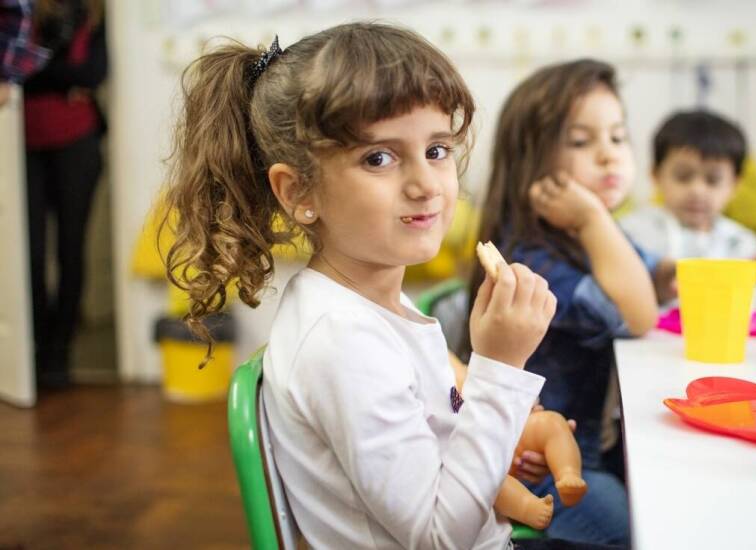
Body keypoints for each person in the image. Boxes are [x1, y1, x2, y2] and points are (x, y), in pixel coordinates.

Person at [163, 23, 621, 550]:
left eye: (438, 150)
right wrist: (500, 367)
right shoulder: (343, 342)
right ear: (297, 191)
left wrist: (502, 434)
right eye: (378, 158)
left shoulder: (380, 303)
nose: (426, 184)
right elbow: (439, 538)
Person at [464, 59, 669, 546]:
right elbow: (639, 316)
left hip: (591, 443)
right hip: (540, 470)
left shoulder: (584, 235)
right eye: (581, 142)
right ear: (531, 162)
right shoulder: (533, 261)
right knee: (638, 525)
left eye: (618, 138)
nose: (609, 156)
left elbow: (652, 276)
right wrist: (596, 219)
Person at [23, 0, 106, 387]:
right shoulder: (17, 17)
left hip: (78, 146)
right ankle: (33, 352)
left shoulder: (89, 17)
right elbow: (20, 74)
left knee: (70, 251)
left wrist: (41, 72)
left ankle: (59, 354)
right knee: (30, 255)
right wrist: (63, 79)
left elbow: (93, 73)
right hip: (22, 148)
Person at [619, 109, 756, 260]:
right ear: (656, 175)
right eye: (683, 177)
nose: (697, 190)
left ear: (735, 185)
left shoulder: (744, 245)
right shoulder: (630, 234)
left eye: (713, 180)